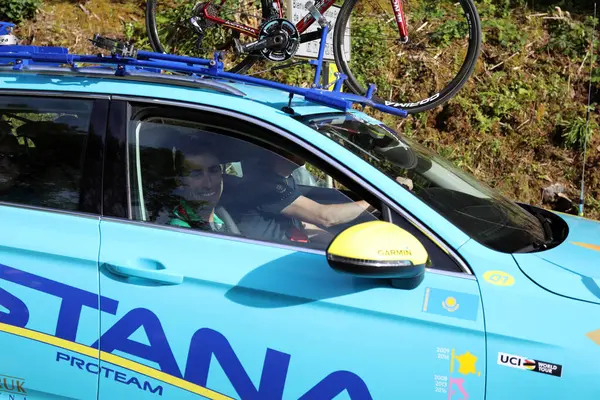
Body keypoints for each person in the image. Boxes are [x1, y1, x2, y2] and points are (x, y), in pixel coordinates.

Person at [229, 150, 379, 245]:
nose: (305, 152)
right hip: (272, 256)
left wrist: (342, 244)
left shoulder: (284, 179)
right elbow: (325, 217)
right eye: (296, 147)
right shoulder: (265, 185)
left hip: (289, 245)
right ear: (281, 151)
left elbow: (303, 224)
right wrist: (376, 201)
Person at [167, 140, 231, 233]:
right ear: (180, 182)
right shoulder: (178, 231)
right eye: (196, 175)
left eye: (213, 171)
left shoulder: (222, 217)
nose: (208, 184)